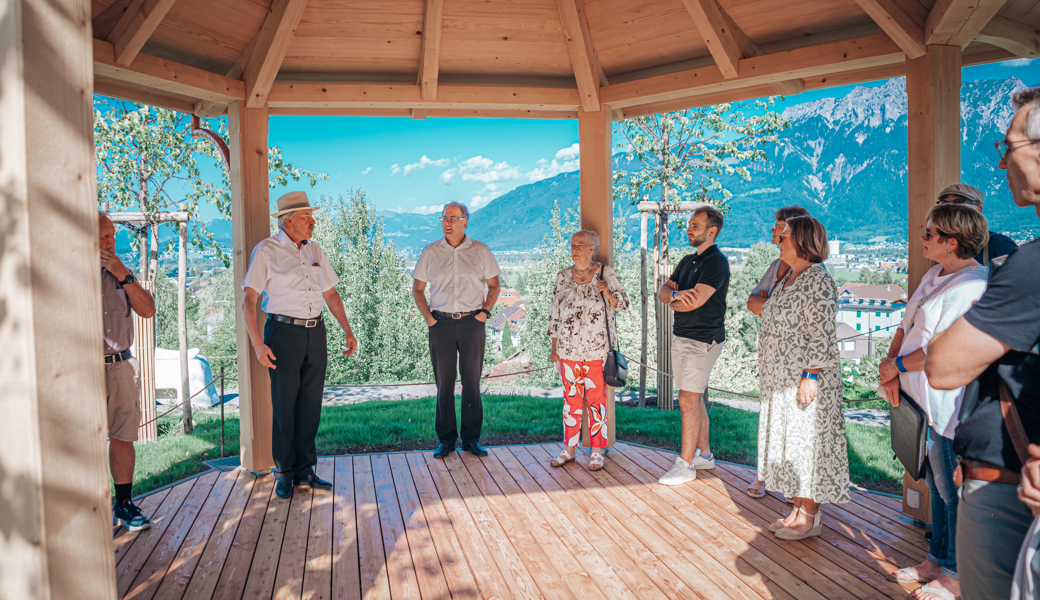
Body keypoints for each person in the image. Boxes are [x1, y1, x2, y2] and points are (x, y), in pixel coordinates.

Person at [925, 85, 1040, 600]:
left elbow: (944, 364)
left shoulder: (1027, 265)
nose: (1001, 163)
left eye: (1008, 147)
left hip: (1006, 484)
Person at [878, 203, 990, 600]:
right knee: (936, 485)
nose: (922, 239)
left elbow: (942, 349)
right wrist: (888, 367)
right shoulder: (936, 273)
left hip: (947, 406)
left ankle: (956, 577)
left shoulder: (971, 287)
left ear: (952, 242)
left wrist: (896, 366)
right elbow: (906, 325)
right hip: (919, 400)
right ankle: (936, 560)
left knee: (951, 492)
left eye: (929, 234)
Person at [242, 192, 358, 500]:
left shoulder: (314, 250)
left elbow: (330, 294)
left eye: (311, 216)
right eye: (307, 216)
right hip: (282, 334)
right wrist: (257, 344)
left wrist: (347, 330)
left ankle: (306, 470)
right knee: (285, 406)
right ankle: (284, 473)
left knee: (310, 404)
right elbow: (248, 300)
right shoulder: (266, 250)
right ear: (288, 220)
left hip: (315, 333)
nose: (313, 221)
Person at [757, 215, 850, 541]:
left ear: (801, 242)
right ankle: (797, 510)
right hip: (783, 379)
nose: (779, 239)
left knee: (808, 448)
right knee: (793, 446)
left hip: (805, 379)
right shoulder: (789, 277)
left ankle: (810, 516)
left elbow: (821, 334)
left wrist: (810, 376)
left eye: (784, 236)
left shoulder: (817, 280)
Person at [412, 202, 501, 459]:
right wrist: (429, 319)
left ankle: (471, 440)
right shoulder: (430, 252)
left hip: (473, 323)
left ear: (465, 221)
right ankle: (446, 441)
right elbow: (417, 290)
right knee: (444, 384)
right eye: (444, 218)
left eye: (452, 218)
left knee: (472, 383)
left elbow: (494, 285)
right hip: (440, 324)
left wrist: (484, 313)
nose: (447, 222)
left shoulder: (481, 250)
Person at [656, 205, 730, 485]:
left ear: (712, 231)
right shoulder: (688, 260)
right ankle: (705, 456)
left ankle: (685, 465)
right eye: (689, 225)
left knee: (687, 399)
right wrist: (675, 296)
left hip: (703, 340)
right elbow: (663, 291)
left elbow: (696, 300)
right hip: (682, 336)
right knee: (694, 397)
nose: (688, 229)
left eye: (695, 226)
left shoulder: (716, 262)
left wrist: (674, 299)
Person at [547, 230, 630, 470]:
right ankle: (569, 449)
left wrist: (608, 294)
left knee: (597, 402)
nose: (574, 249)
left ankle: (597, 451)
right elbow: (554, 312)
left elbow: (624, 304)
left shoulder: (606, 273)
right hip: (568, 350)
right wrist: (554, 348)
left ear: (592, 248)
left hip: (597, 351)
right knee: (570, 402)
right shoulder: (562, 276)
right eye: (572, 245)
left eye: (580, 245)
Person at [746, 205, 810, 498]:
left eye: (778, 227)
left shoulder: (808, 273)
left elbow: (780, 311)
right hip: (771, 354)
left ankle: (792, 486)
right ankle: (765, 474)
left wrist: (768, 304)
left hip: (794, 359)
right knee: (769, 415)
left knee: (792, 421)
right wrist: (769, 305)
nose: (773, 231)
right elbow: (752, 302)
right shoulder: (776, 266)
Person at [99, 211, 157, 531]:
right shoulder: (70, 275)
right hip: (84, 371)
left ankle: (123, 505)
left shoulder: (122, 273)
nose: (111, 241)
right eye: (104, 236)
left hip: (121, 365)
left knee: (122, 437)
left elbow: (147, 310)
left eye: (112, 235)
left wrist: (123, 274)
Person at [935, 183, 1017, 265]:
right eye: (944, 203)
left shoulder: (999, 244)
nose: (949, 207)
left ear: (978, 210)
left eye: (959, 202)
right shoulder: (941, 243)